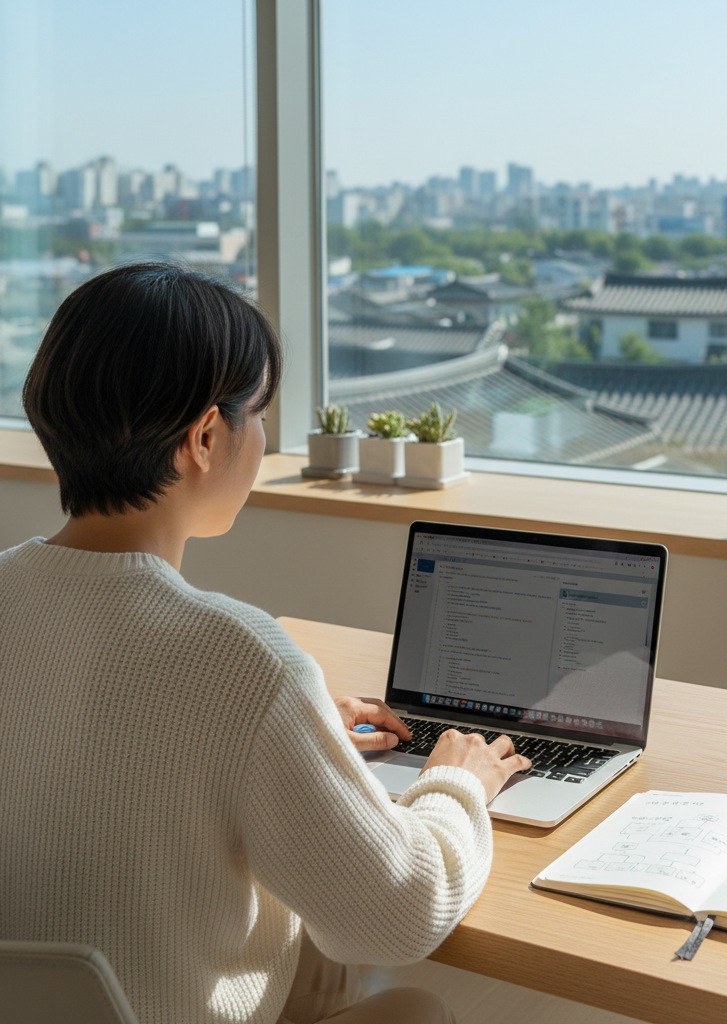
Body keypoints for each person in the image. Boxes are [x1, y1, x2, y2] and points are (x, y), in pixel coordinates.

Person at [0, 263, 531, 1024]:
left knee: (309, 948)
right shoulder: (243, 659)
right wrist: (460, 783)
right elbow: (401, 915)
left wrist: (292, 724)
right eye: (260, 416)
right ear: (206, 437)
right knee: (415, 1011)